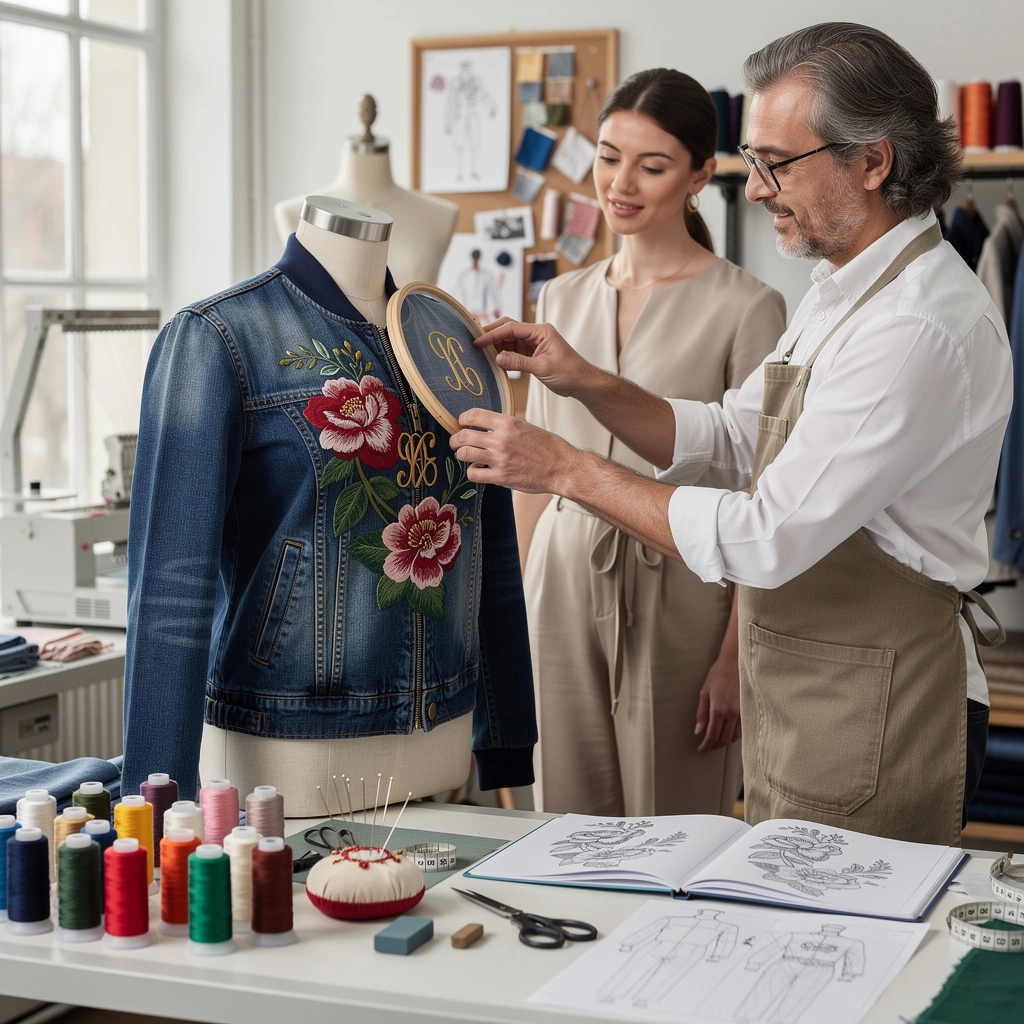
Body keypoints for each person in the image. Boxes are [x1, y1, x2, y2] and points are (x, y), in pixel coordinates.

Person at [452, 22, 1012, 846]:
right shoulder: (839, 291)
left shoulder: (914, 328)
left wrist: (565, 468)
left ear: (873, 161)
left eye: (775, 164)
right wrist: (583, 379)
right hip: (814, 685)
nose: (752, 190)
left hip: (879, 707)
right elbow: (731, 434)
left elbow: (763, 538)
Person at [515, 69, 785, 817]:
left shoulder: (749, 307)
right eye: (607, 156)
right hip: (561, 582)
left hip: (685, 589)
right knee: (563, 825)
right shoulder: (560, 297)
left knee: (674, 830)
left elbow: (764, 494)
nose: (619, 183)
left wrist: (735, 658)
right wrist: (521, 607)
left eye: (652, 165)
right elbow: (535, 472)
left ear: (701, 175)